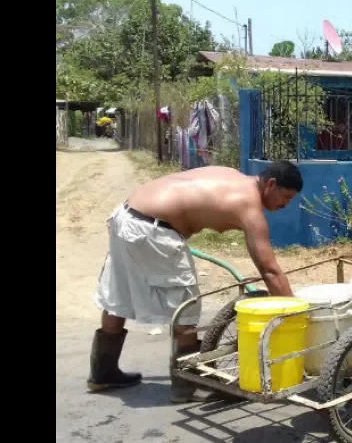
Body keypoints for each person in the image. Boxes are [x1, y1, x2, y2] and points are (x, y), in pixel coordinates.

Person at [86, 160, 303, 403]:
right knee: (187, 308)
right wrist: (296, 315)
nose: (285, 204)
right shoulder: (248, 206)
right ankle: (188, 387)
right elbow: (270, 272)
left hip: (126, 215)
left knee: (120, 295)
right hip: (153, 230)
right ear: (271, 184)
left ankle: (102, 373)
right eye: (285, 197)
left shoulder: (232, 175)